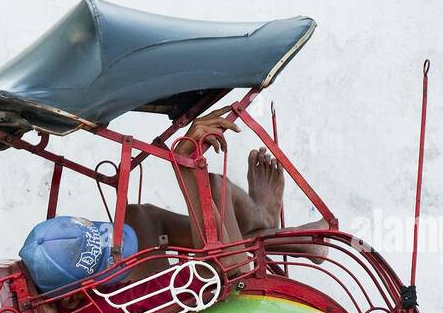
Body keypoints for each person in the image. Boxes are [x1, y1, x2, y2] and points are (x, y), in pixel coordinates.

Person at [125, 107, 330, 277]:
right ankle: (264, 227)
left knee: (138, 215)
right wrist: (184, 165)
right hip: (144, 306)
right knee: (215, 192)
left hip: (109, 262)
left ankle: (261, 227)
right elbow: (221, 269)